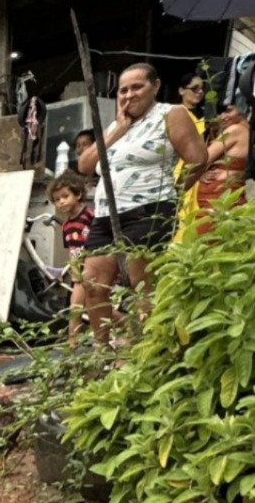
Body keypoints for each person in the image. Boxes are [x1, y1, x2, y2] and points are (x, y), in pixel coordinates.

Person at [76, 62, 207, 345]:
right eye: (123, 90)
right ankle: (103, 352)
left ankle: (149, 353)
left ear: (155, 86)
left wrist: (171, 195)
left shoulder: (171, 114)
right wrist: (118, 129)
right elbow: (85, 165)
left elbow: (197, 158)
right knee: (92, 284)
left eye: (137, 87)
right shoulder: (116, 125)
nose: (129, 95)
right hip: (105, 216)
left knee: (141, 288)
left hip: (148, 211)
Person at [189, 103, 251, 236]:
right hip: (226, 196)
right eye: (220, 113)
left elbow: (201, 159)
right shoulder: (248, 131)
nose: (223, 116)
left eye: (228, 111)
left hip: (218, 199)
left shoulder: (235, 130)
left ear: (243, 108)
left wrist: (199, 173)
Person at [51, 174, 93, 342]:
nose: (61, 202)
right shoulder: (67, 226)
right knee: (79, 307)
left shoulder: (90, 216)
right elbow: (73, 251)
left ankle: (73, 343)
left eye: (65, 196)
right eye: (56, 199)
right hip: (79, 272)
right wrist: (74, 272)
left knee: (85, 307)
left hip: (93, 267)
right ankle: (73, 342)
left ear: (78, 195)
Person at [174, 72, 208, 227]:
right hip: (179, 172)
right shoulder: (175, 115)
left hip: (199, 172)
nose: (200, 92)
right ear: (182, 90)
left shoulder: (206, 117)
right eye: (194, 88)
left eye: (202, 88)